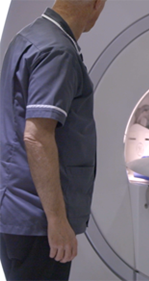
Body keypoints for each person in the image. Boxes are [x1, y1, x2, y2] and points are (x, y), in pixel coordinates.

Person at [0, 0, 107, 280]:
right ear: (96, 3)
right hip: (38, 220)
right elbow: (37, 137)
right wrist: (57, 221)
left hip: (17, 209)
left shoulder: (27, 37)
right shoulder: (58, 51)